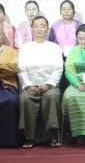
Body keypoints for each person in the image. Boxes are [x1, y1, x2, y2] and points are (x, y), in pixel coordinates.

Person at [18, 16, 63, 149]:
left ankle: (53, 135)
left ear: (47, 29)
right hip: (30, 85)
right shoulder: (25, 48)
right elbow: (21, 70)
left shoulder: (54, 47)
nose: (39, 29)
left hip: (50, 86)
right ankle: (28, 136)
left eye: (42, 26)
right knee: (25, 98)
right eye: (36, 26)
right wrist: (28, 85)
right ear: (32, 28)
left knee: (52, 96)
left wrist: (48, 84)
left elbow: (58, 69)